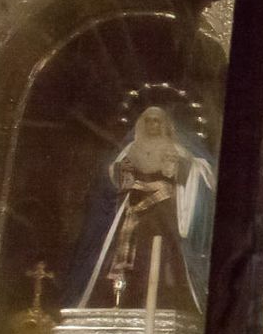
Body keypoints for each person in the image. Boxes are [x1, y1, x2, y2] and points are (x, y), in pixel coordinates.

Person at [68, 106, 216, 312]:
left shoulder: (173, 147)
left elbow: (198, 172)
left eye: (157, 120)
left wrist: (179, 167)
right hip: (133, 208)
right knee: (120, 251)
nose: (153, 125)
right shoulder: (132, 149)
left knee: (163, 252)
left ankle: (160, 301)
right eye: (149, 120)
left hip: (162, 209)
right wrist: (124, 173)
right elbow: (117, 176)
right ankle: (122, 299)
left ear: (164, 124)